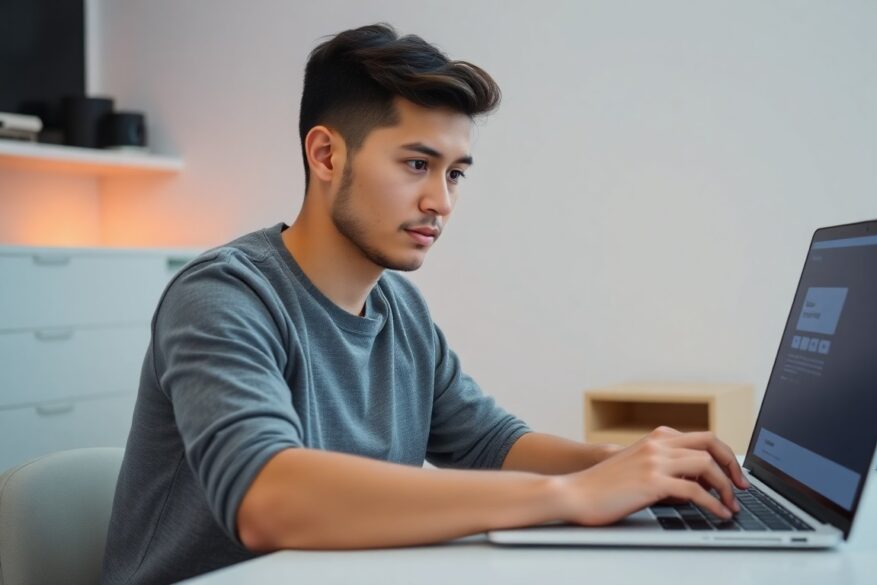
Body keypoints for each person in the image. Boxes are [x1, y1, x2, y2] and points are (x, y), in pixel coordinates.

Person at [100, 23, 748, 584]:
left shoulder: (400, 310)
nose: (442, 201)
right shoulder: (223, 295)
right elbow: (267, 497)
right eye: (417, 164)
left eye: (455, 173)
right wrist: (568, 493)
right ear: (325, 154)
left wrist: (629, 467)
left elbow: (491, 442)